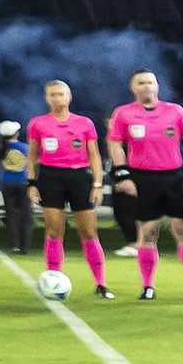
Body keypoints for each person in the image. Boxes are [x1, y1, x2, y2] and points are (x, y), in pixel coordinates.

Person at [107, 69, 183, 301]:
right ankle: (147, 286)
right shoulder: (123, 114)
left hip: (175, 177)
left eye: (150, 82)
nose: (146, 86)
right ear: (133, 88)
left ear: (157, 86)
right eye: (141, 83)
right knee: (147, 233)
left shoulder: (175, 111)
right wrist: (123, 175)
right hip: (143, 179)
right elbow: (115, 143)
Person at [27, 80, 113, 298]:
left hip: (79, 176)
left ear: (69, 97)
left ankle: (101, 283)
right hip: (50, 177)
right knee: (54, 231)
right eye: (52, 95)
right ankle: (53, 279)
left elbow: (94, 155)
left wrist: (97, 183)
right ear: (47, 98)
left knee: (89, 231)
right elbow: (33, 156)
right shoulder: (38, 124)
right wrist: (32, 183)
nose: (57, 98)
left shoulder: (84, 123)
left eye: (60, 94)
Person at [0, 120, 32, 253]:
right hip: (23, 182)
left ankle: (14, 245)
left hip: (6, 183)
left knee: (11, 215)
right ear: (16, 134)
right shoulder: (25, 147)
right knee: (25, 215)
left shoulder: (0, 148)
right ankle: (25, 245)